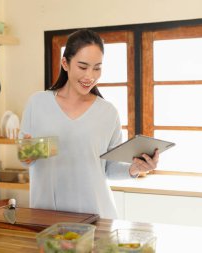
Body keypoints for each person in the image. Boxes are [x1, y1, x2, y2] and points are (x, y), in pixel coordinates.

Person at [19, 29, 159, 219]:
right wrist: (28, 153)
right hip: (46, 217)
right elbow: (26, 159)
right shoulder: (37, 103)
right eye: (83, 67)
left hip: (95, 216)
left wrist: (135, 169)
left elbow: (108, 168)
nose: (90, 76)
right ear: (65, 63)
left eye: (97, 68)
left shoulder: (108, 113)